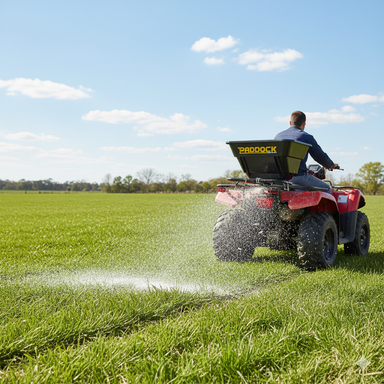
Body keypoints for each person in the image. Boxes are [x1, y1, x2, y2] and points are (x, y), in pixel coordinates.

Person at [274, 111, 338, 194]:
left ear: (290, 123)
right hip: (298, 177)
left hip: (280, 178)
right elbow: (319, 156)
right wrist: (331, 165)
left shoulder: (278, 136)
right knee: (326, 188)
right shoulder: (306, 137)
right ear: (304, 123)